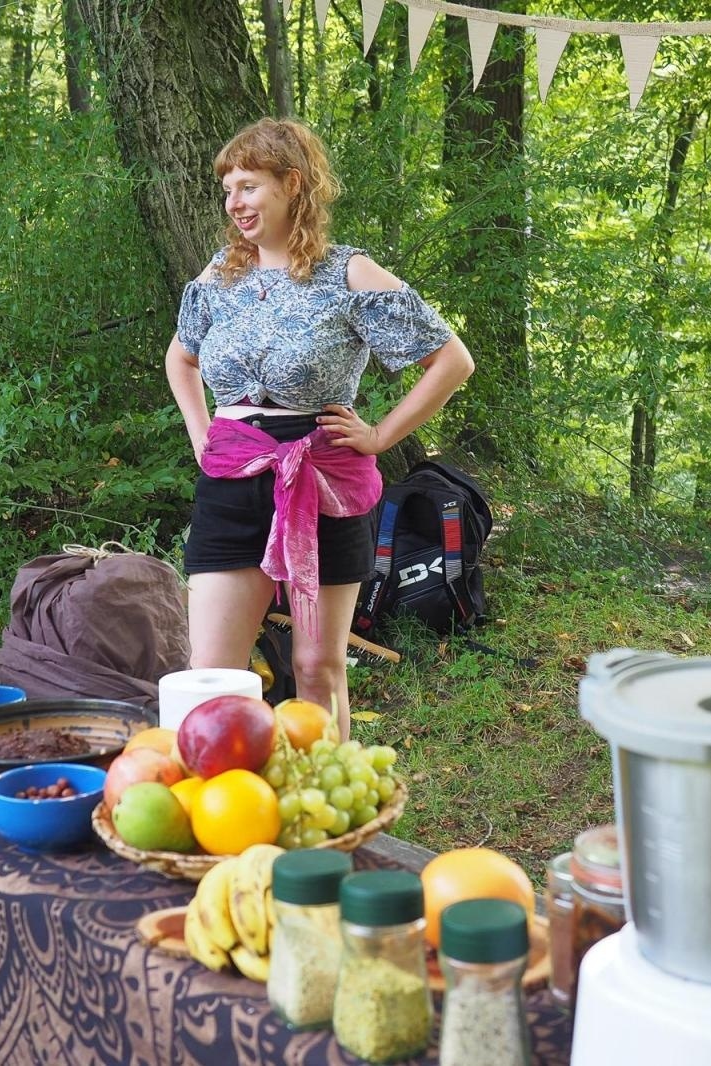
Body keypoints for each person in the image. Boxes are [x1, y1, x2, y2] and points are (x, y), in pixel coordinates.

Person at [166, 117, 474, 742]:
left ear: (292, 184)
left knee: (317, 666)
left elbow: (451, 361)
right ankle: (220, 795)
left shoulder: (348, 274)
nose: (234, 203)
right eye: (228, 190)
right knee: (211, 673)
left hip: (324, 480)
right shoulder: (219, 277)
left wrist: (380, 436)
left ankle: (326, 797)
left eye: (248, 186)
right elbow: (181, 357)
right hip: (233, 480)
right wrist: (202, 433)